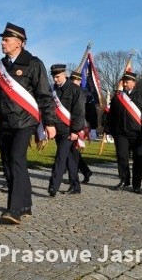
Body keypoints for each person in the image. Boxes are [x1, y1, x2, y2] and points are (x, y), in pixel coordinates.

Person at [0, 22, 57, 224]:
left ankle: (14, 209)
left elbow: (44, 95)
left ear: (19, 43)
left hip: (25, 122)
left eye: (6, 39)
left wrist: (50, 122)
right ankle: (26, 204)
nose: (2, 42)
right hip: (3, 122)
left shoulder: (34, 64)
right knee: (10, 164)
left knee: (16, 159)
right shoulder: (0, 67)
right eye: (3, 39)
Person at [105, 71, 142, 194]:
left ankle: (136, 184)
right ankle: (124, 180)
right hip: (121, 133)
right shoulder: (117, 97)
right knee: (122, 157)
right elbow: (111, 115)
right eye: (124, 81)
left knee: (138, 159)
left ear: (134, 83)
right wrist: (109, 130)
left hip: (138, 133)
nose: (125, 84)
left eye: (127, 81)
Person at [48, 64, 85, 196]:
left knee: (60, 156)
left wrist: (75, 130)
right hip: (57, 129)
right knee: (69, 158)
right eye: (53, 77)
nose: (55, 80)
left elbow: (79, 112)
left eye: (57, 76)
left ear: (64, 74)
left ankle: (53, 186)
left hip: (69, 130)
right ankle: (75, 185)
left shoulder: (75, 90)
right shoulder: (53, 90)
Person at [69, 71, 94, 184]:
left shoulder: (86, 94)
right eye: (72, 80)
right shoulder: (67, 91)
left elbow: (91, 111)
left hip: (80, 124)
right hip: (67, 123)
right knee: (69, 151)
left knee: (73, 150)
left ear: (80, 81)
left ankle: (75, 177)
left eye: (75, 80)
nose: (73, 82)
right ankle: (85, 171)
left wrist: (91, 127)